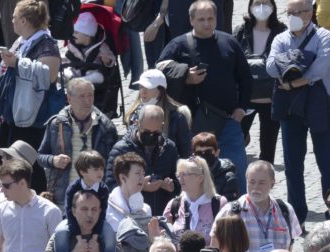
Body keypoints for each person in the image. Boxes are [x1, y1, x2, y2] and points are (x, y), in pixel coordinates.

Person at [159, 0, 252, 196]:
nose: (207, 23)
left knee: (237, 174)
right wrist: (185, 76)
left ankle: (239, 219)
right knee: (194, 178)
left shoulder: (229, 42)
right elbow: (159, 73)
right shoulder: (178, 45)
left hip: (228, 123)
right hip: (193, 126)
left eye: (211, 18)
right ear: (191, 20)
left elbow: (245, 78)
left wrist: (241, 109)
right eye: (201, 19)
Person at [266, 0, 330, 222]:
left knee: (327, 161)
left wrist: (294, 79)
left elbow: (321, 66)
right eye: (290, 12)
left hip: (319, 104)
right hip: (290, 108)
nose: (294, 16)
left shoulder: (323, 36)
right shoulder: (281, 38)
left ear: (310, 12)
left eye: (299, 12)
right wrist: (297, 64)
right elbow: (271, 66)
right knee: (293, 165)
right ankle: (296, 217)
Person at [0, 0, 61, 193]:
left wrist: (18, 63)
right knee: (6, 162)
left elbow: (49, 75)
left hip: (32, 118)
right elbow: (5, 77)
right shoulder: (20, 42)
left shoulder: (47, 44)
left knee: (28, 166)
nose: (11, 21)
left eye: (14, 18)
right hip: (9, 116)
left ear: (25, 21)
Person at [38, 78, 119, 201]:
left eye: (90, 95)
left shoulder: (106, 127)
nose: (87, 101)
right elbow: (40, 156)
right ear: (69, 98)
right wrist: (53, 160)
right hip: (64, 195)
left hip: (96, 197)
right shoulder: (56, 124)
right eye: (82, 96)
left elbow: (114, 164)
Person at [233, 0, 286, 164]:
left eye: (265, 3)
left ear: (273, 6)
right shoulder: (241, 30)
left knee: (268, 151)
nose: (261, 7)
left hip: (271, 98)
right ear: (250, 6)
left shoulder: (282, 32)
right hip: (245, 98)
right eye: (257, 3)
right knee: (235, 144)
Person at [105, 105, 180, 213]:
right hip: (130, 214)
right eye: (146, 132)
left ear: (162, 127)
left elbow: (179, 181)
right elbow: (110, 186)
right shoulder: (122, 149)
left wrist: (172, 186)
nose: (150, 136)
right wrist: (139, 186)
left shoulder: (169, 148)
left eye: (155, 133)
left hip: (162, 213)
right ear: (137, 124)